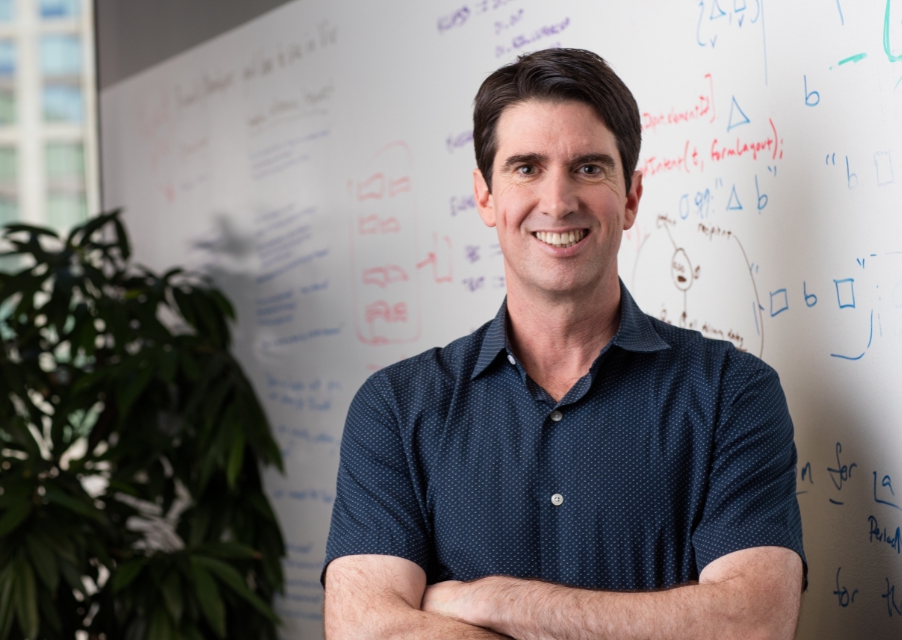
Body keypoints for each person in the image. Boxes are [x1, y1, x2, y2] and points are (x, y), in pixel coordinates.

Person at [322, 48, 806, 639]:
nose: (557, 201)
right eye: (526, 168)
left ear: (630, 198)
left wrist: (500, 602)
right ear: (485, 197)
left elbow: (752, 626)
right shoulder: (397, 408)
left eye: (588, 168)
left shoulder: (733, 394)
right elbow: (365, 630)